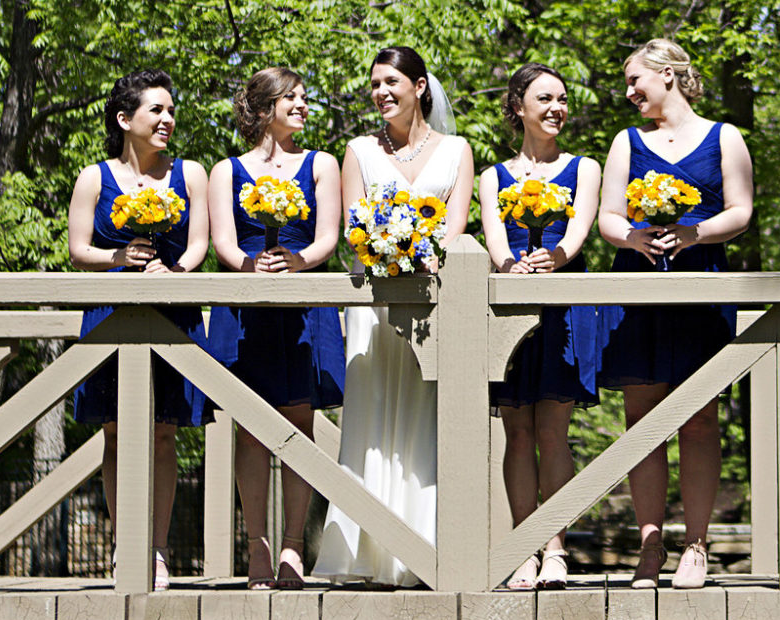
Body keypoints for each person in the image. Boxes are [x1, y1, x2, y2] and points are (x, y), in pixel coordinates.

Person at [314, 45, 474, 586]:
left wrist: (429, 255)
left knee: (426, 416)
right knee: (371, 413)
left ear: (420, 86)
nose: (381, 92)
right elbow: (355, 228)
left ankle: (421, 551)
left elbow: (455, 227)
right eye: (375, 84)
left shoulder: (456, 150)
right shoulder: (358, 150)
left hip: (432, 303)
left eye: (391, 82)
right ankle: (366, 551)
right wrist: (389, 254)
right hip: (376, 306)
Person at [597, 38, 753, 589]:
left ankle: (696, 545)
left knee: (700, 417)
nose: (629, 91)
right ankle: (650, 543)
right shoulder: (627, 142)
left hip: (701, 284)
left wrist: (695, 232)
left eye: (634, 78)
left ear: (667, 74)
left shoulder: (723, 137)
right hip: (639, 284)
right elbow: (608, 218)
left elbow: (742, 210)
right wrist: (633, 237)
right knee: (641, 418)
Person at [68, 69, 210, 591]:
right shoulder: (94, 177)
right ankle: (124, 544)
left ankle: (157, 550)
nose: (168, 119)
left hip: (171, 313)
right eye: (157, 110)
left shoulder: (189, 173)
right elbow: (78, 249)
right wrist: (119, 257)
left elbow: (200, 245)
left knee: (164, 433)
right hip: (110, 315)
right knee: (114, 433)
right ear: (125, 119)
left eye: (171, 110)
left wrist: (174, 272)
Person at [207, 66, 345, 589]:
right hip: (246, 308)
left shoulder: (320, 164)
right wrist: (250, 267)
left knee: (300, 426)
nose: (304, 106)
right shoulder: (228, 170)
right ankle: (257, 546)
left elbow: (329, 235)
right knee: (251, 432)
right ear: (265, 108)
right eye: (293, 98)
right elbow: (223, 239)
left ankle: (292, 548)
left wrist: (297, 262)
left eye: (305, 97)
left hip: (304, 305)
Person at [480, 64, 601, 590]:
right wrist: (512, 267)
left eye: (563, 99)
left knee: (553, 431)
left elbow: (578, 231)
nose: (557, 108)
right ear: (518, 107)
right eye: (545, 98)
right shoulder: (493, 176)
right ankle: (521, 548)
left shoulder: (585, 168)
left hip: (564, 309)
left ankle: (555, 550)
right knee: (517, 431)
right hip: (508, 309)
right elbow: (495, 242)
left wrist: (555, 257)